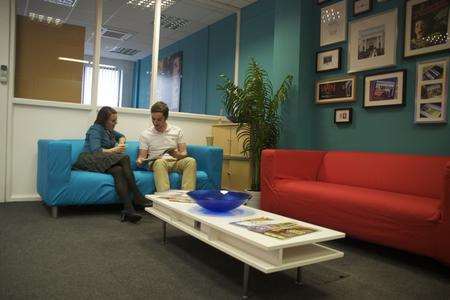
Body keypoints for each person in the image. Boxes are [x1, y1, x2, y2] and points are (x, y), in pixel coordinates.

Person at [73, 106, 150, 223]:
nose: (115, 123)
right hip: (89, 159)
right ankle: (137, 195)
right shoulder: (95, 130)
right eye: (113, 121)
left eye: (116, 120)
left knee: (118, 171)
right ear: (104, 120)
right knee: (124, 157)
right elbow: (96, 151)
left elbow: (122, 136)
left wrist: (121, 142)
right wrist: (116, 149)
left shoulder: (108, 130)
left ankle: (128, 210)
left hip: (102, 161)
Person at [137, 101, 196, 192]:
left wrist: (177, 155)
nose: (155, 122)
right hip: (158, 162)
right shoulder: (145, 134)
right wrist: (140, 161)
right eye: (153, 119)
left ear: (166, 117)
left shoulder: (177, 130)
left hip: (175, 162)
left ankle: (187, 196)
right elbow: (142, 157)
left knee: (191, 161)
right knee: (160, 162)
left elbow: (184, 153)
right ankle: (164, 198)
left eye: (159, 119)